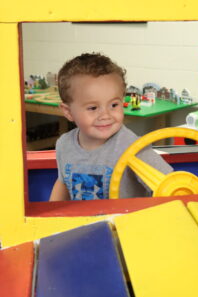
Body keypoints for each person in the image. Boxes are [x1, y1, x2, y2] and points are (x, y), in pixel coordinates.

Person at [49, 52, 173, 201]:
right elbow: (63, 183)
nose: (105, 115)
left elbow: (168, 185)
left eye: (114, 105)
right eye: (93, 108)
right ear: (68, 112)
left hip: (126, 222)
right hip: (84, 222)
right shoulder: (64, 144)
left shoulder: (133, 147)